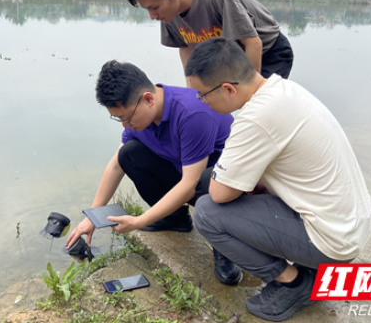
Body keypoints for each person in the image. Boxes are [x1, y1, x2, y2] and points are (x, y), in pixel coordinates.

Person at [184, 38, 371, 322]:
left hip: (332, 242)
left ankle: (292, 282)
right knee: (217, 180)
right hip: (349, 224)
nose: (201, 101)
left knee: (208, 212)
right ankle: (307, 270)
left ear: (228, 89)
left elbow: (220, 195)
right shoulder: (282, 89)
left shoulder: (255, 118)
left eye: (202, 95)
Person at [65, 60, 242, 285]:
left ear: (148, 98)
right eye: (119, 119)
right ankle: (175, 219)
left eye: (126, 118)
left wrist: (139, 221)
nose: (125, 125)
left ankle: (226, 246)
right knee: (129, 154)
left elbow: (190, 183)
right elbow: (115, 165)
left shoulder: (192, 113)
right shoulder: (143, 118)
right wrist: (92, 216)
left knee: (208, 179)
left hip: (224, 184)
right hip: (189, 174)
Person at [125, 0, 294, 81]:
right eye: (147, 9)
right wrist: (191, 86)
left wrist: (251, 94)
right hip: (228, 59)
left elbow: (253, 42)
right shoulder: (168, 12)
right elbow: (185, 47)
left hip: (268, 52)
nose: (152, 16)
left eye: (154, 8)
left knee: (256, 107)